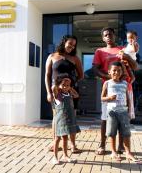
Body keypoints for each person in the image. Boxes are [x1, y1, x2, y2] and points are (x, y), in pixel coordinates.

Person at [92, 27, 138, 155]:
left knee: (123, 117)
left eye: (110, 34)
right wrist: (111, 78)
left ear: (114, 36)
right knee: (105, 118)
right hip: (109, 89)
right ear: (103, 38)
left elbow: (135, 66)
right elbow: (95, 70)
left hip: (124, 88)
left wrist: (127, 57)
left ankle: (121, 146)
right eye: (105, 35)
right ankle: (102, 144)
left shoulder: (122, 50)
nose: (108, 37)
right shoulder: (99, 51)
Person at [45, 35, 84, 153]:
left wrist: (71, 87)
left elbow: (81, 75)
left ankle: (72, 144)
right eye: (70, 44)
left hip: (71, 93)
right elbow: (47, 75)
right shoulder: (52, 56)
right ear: (64, 42)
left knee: (71, 117)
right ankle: (55, 142)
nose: (71, 47)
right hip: (56, 94)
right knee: (56, 118)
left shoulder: (75, 58)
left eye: (74, 45)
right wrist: (48, 92)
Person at [101, 61, 140, 163]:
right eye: (114, 70)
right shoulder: (107, 83)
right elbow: (102, 98)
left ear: (122, 72)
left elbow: (128, 99)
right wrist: (109, 98)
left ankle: (128, 152)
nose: (116, 72)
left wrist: (129, 111)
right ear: (109, 72)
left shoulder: (125, 83)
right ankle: (113, 152)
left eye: (119, 70)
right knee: (112, 132)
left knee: (126, 133)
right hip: (111, 112)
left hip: (123, 112)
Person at [51, 74, 80, 164]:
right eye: (63, 85)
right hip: (60, 121)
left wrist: (69, 88)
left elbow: (76, 95)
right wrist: (58, 83)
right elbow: (53, 88)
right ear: (59, 85)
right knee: (57, 139)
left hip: (68, 120)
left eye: (68, 85)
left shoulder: (68, 93)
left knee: (65, 138)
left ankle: (65, 156)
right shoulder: (58, 95)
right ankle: (55, 157)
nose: (65, 87)